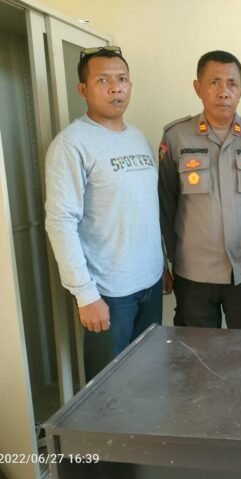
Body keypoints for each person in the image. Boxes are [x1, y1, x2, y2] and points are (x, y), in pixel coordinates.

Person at [45, 46, 170, 380]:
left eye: (122, 79)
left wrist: (161, 264)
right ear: (82, 89)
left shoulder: (138, 138)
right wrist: (85, 295)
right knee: (108, 390)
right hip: (109, 293)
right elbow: (61, 222)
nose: (116, 88)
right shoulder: (71, 144)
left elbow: (146, 208)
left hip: (150, 284)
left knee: (148, 379)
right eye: (103, 80)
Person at [159, 50, 241, 330]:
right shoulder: (176, 137)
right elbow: (163, 205)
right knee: (197, 353)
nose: (224, 92)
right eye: (215, 82)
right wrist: (162, 263)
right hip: (193, 272)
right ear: (198, 87)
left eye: (232, 84)